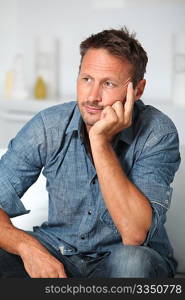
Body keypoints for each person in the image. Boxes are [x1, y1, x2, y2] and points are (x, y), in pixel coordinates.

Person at [0, 27, 181, 278]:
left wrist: (99, 142)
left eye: (108, 83)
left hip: (125, 258)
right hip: (58, 250)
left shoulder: (157, 132)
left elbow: (134, 234)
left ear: (137, 91)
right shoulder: (49, 126)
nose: (92, 96)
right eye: (86, 79)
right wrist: (27, 247)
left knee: (131, 262)